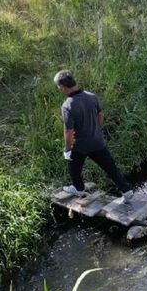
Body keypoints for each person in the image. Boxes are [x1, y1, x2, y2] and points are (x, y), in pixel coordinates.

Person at [54, 70, 133, 200]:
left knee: (73, 166)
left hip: (80, 145)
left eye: (58, 87)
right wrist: (97, 129)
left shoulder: (67, 105)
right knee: (110, 167)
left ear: (62, 87)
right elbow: (101, 114)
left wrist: (67, 149)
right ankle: (126, 190)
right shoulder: (91, 96)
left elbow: (68, 131)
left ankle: (78, 188)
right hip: (97, 141)